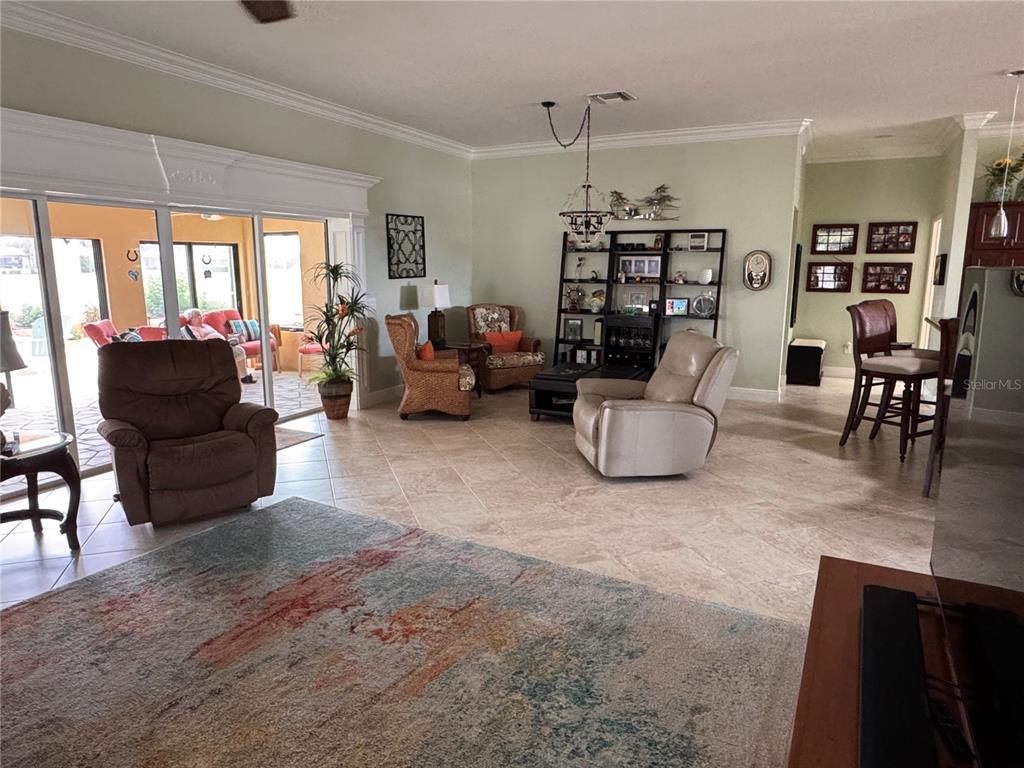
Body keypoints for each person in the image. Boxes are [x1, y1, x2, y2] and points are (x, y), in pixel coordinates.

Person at [181, 308, 255, 384]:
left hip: (222, 344)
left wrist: (235, 337)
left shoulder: (205, 326)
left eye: (200, 315)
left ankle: (242, 376)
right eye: (197, 316)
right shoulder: (190, 329)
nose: (200, 317)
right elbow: (199, 344)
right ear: (190, 318)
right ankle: (243, 377)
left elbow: (220, 335)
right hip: (213, 349)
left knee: (238, 349)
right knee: (238, 351)